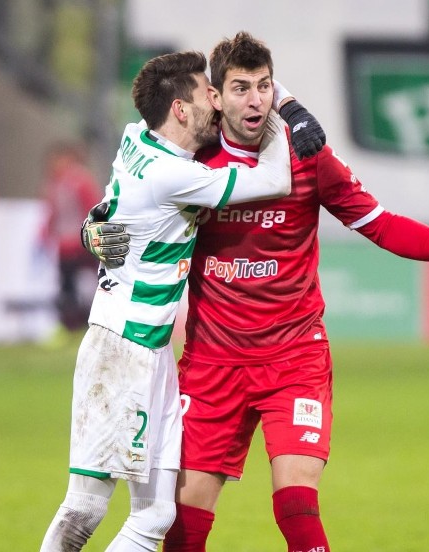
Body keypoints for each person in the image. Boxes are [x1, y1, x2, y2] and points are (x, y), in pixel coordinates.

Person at [86, 32, 429, 552]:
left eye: (263, 86)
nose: (254, 100)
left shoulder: (309, 156)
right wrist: (91, 230)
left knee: (296, 506)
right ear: (215, 96)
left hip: (294, 358)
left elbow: (378, 222)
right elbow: (124, 201)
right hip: (213, 363)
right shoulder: (192, 165)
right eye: (239, 88)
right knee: (181, 526)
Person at [38, 50, 293, 552]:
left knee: (156, 514)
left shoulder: (137, 138)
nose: (218, 105)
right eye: (208, 94)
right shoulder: (171, 175)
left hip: (153, 353)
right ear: (180, 108)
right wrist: (286, 112)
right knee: (85, 505)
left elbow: (109, 204)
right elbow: (276, 181)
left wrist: (93, 226)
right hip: (120, 348)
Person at [39, 142, 103, 334]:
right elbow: (53, 213)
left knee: (91, 283)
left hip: (81, 243)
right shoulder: (54, 183)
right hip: (65, 245)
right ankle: (70, 325)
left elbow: (93, 208)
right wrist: (46, 233)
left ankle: (92, 323)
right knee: (67, 287)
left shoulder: (80, 180)